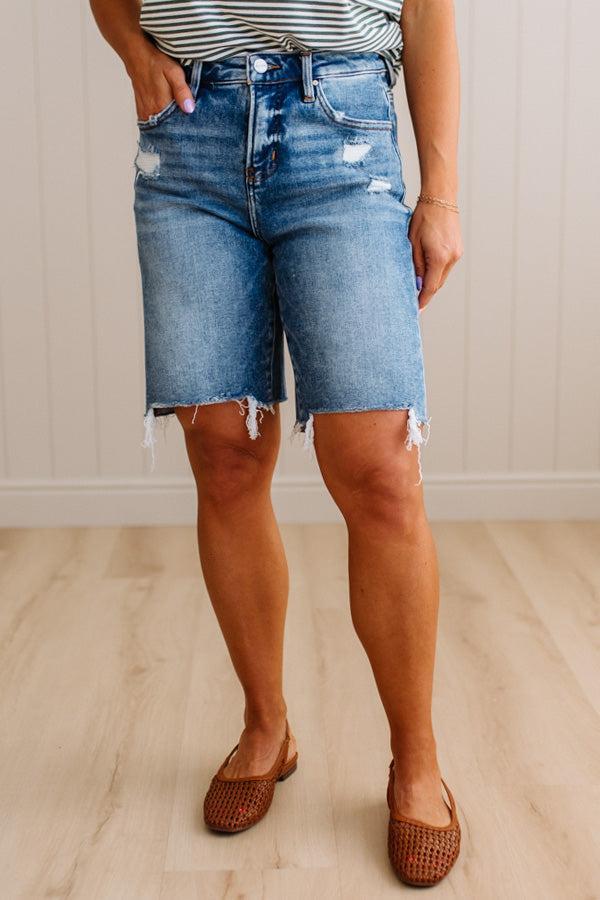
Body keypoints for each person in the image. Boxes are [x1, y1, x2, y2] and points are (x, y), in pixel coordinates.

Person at [89, 0, 463, 886]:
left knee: (378, 470)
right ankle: (267, 726)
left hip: (339, 121)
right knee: (222, 455)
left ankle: (417, 763)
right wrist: (131, 50)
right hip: (187, 137)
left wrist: (441, 191)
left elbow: (428, 7)